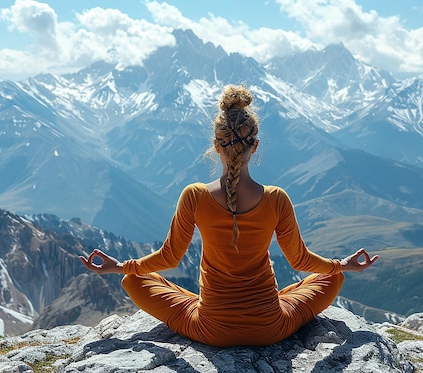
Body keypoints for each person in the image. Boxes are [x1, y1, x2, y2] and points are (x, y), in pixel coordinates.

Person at [80, 84, 378, 347]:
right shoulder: (276, 198)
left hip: (210, 329)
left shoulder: (194, 195)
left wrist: (120, 266)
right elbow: (301, 261)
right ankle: (281, 297)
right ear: (255, 145)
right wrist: (342, 264)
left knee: (133, 280)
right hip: (271, 328)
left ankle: (207, 303)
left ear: (215, 146)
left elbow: (169, 259)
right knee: (333, 278)